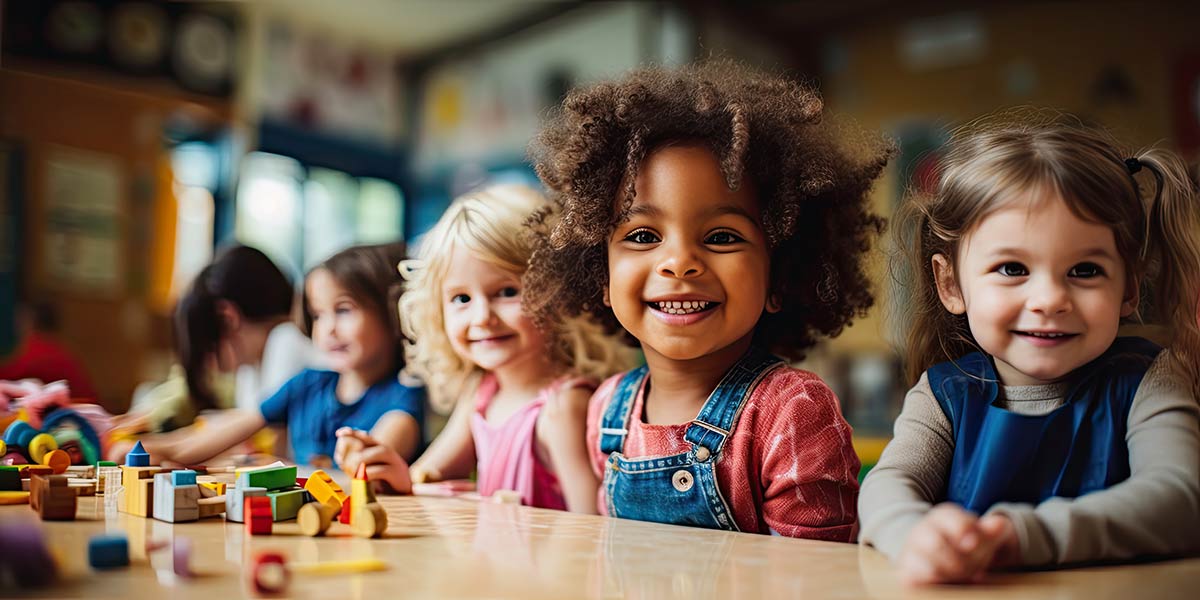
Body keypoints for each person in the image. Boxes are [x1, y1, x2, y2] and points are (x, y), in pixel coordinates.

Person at [521, 61, 892, 538]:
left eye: (720, 236)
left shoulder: (792, 411)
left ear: (779, 276)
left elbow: (813, 579)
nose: (679, 262)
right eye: (642, 235)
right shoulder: (606, 408)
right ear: (603, 278)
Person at [859, 115, 1200, 584]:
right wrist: (913, 534)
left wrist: (1021, 536)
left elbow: (1181, 500)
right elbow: (887, 488)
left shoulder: (1151, 379)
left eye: (1084, 271)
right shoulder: (941, 396)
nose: (1049, 301)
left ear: (1128, 289)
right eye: (1012, 268)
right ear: (950, 283)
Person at [337, 185, 631, 510]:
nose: (482, 317)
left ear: (558, 294)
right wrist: (389, 469)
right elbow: (427, 475)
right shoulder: (482, 393)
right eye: (461, 298)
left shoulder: (563, 408)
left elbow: (590, 526)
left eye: (506, 292)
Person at [141, 243, 423, 468]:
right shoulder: (307, 384)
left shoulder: (403, 395)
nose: (327, 330)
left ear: (393, 313)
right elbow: (228, 429)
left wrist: (360, 454)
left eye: (343, 310)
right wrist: (152, 449)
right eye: (318, 315)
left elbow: (376, 455)